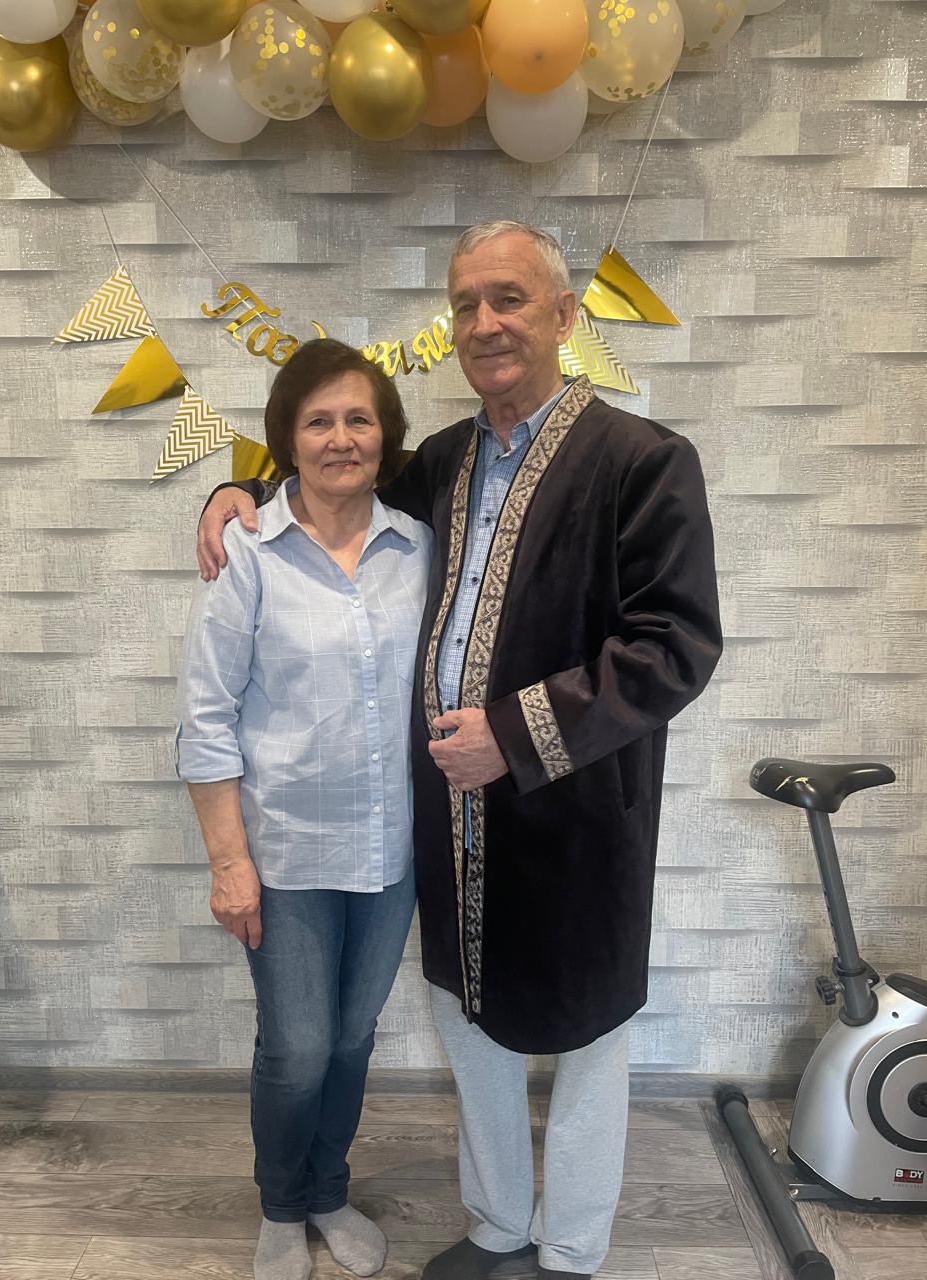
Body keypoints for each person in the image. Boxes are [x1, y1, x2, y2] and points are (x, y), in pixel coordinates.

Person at [197, 221, 723, 1280]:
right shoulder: (440, 461)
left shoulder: (643, 462)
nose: (485, 322)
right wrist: (233, 488)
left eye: (509, 298)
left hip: (580, 817)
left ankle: (570, 1249)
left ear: (563, 315)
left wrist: (517, 732)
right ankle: (496, 1223)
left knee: (588, 1037)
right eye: (466, 303)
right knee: (470, 1022)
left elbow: (675, 646)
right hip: (448, 819)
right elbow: (328, 477)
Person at [176, 339, 431, 1280]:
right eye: (318, 420)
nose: (340, 438)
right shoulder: (248, 551)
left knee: (354, 1039)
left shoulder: (420, 548)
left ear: (385, 435)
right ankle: (282, 1206)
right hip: (282, 852)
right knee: (297, 1048)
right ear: (287, 438)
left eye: (358, 418)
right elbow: (206, 720)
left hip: (391, 850)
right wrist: (228, 864)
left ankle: (328, 1188)